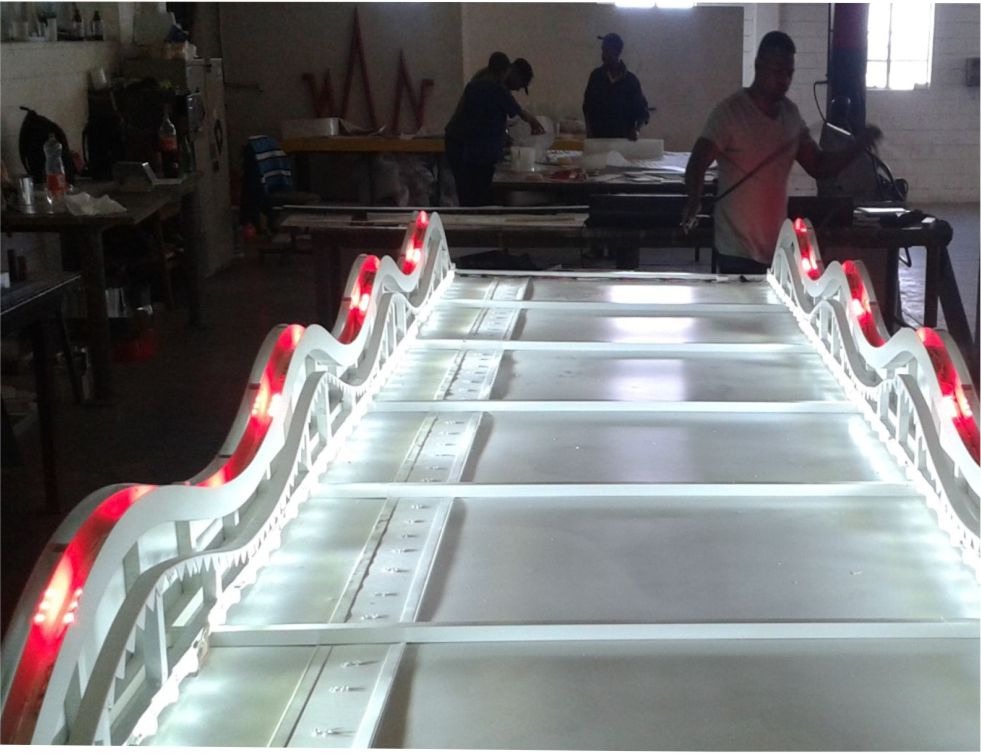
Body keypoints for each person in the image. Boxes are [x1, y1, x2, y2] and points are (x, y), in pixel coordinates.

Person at [682, 31, 882, 274]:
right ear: (758, 65)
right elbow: (698, 162)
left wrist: (857, 146)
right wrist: (694, 199)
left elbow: (818, 165)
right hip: (735, 249)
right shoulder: (731, 113)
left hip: (776, 250)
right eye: (777, 71)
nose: (784, 80)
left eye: (789, 73)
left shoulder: (790, 115)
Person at [445, 58, 545, 206]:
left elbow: (491, 116)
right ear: (513, 72)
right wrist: (531, 120)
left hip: (468, 147)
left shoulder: (493, 84)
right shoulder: (488, 83)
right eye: (521, 84)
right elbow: (513, 108)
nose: (518, 89)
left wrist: (504, 137)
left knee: (475, 196)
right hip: (464, 147)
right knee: (472, 197)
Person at [582, 33, 650, 141]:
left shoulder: (631, 81)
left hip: (623, 142)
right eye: (602, 50)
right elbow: (587, 107)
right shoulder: (596, 77)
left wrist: (636, 130)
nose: (603, 55)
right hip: (599, 140)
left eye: (606, 51)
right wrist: (589, 132)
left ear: (617, 52)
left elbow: (642, 112)